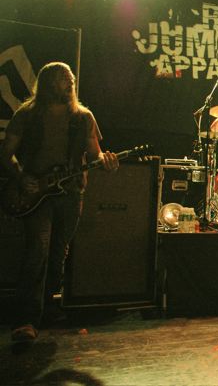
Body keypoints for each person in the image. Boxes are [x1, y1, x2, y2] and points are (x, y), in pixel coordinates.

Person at [0, 62, 119, 344]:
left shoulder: (84, 117)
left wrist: (105, 161)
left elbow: (94, 154)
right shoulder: (27, 114)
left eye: (70, 78)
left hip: (70, 192)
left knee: (57, 253)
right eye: (61, 77)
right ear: (46, 83)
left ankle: (45, 310)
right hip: (37, 194)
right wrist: (21, 177)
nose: (68, 81)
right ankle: (25, 320)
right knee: (37, 250)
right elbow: (6, 153)